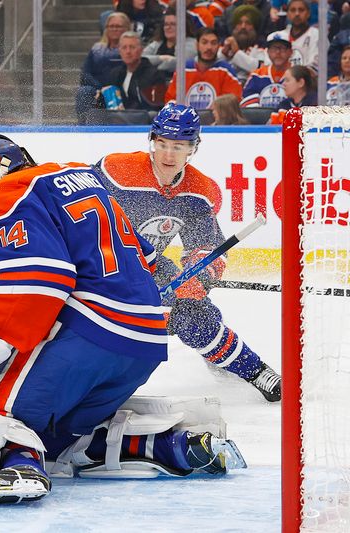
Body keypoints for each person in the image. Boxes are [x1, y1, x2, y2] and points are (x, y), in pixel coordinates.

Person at [0, 133, 247, 504]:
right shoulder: (82, 179)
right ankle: (170, 446)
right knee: (61, 436)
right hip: (145, 343)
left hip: (89, 335)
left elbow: (42, 283)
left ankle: (18, 463)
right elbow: (150, 261)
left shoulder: (9, 194)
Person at [94, 103, 282, 401]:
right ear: (152, 141)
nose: (169, 155)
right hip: (100, 265)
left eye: (179, 146)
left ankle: (254, 370)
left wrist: (200, 274)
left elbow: (207, 245)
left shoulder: (198, 189)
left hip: (150, 267)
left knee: (193, 312)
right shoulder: (116, 170)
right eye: (163, 144)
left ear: (194, 148)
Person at [164, 27, 242, 110]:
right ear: (197, 45)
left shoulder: (226, 70)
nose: (209, 47)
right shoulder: (184, 69)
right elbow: (170, 99)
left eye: (213, 43)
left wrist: (219, 107)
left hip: (217, 121)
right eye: (204, 42)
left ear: (219, 46)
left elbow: (234, 100)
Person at [76, 12, 130, 114]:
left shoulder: (129, 49)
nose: (114, 29)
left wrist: (109, 88)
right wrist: (100, 88)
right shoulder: (97, 49)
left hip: (121, 91)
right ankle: (84, 128)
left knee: (113, 92)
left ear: (126, 28)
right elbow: (85, 74)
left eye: (118, 26)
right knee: (84, 92)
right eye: (111, 26)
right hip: (97, 91)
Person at [104, 31, 167, 111]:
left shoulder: (155, 75)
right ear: (119, 51)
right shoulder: (115, 74)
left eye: (132, 47)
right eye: (124, 48)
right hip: (116, 119)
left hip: (142, 119)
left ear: (141, 50)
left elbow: (155, 107)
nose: (128, 52)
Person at [216, 4, 267, 84]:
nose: (243, 27)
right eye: (239, 23)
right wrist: (223, 55)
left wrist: (236, 52)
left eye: (248, 23)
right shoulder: (225, 44)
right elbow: (211, 68)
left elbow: (259, 68)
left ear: (255, 27)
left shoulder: (262, 46)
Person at [143, 7, 197, 80]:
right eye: (166, 24)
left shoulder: (191, 43)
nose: (168, 27)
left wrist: (153, 69)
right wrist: (161, 58)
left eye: (173, 24)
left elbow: (179, 63)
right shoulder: (157, 43)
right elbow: (141, 59)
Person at [240, 34, 292, 108]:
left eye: (282, 48)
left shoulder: (298, 75)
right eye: (273, 48)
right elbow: (247, 104)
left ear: (290, 52)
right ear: (267, 52)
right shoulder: (257, 75)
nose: (278, 52)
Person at [267, 0, 319, 69]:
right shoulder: (281, 36)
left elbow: (315, 66)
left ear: (308, 13)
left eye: (301, 10)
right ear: (287, 14)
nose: (297, 14)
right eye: (293, 10)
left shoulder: (316, 35)